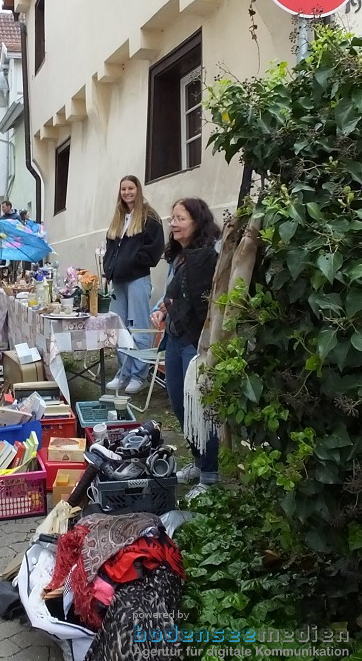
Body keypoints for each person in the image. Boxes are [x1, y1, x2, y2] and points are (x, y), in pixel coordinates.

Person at [150, 198, 221, 499]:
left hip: (194, 341)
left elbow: (203, 302)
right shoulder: (179, 256)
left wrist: (173, 308)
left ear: (197, 221)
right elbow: (175, 295)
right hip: (175, 339)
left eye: (180, 218)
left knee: (198, 408)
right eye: (173, 218)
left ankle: (209, 474)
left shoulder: (205, 257)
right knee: (180, 406)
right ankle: (196, 462)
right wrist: (162, 310)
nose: (174, 223)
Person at [103, 176, 164, 395]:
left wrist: (133, 262)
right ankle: (123, 372)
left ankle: (139, 374)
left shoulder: (149, 217)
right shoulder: (119, 218)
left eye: (131, 188)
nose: (127, 192)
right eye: (123, 189)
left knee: (138, 327)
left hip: (137, 279)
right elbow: (110, 248)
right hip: (118, 281)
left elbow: (155, 248)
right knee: (119, 329)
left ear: (138, 190)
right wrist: (109, 268)